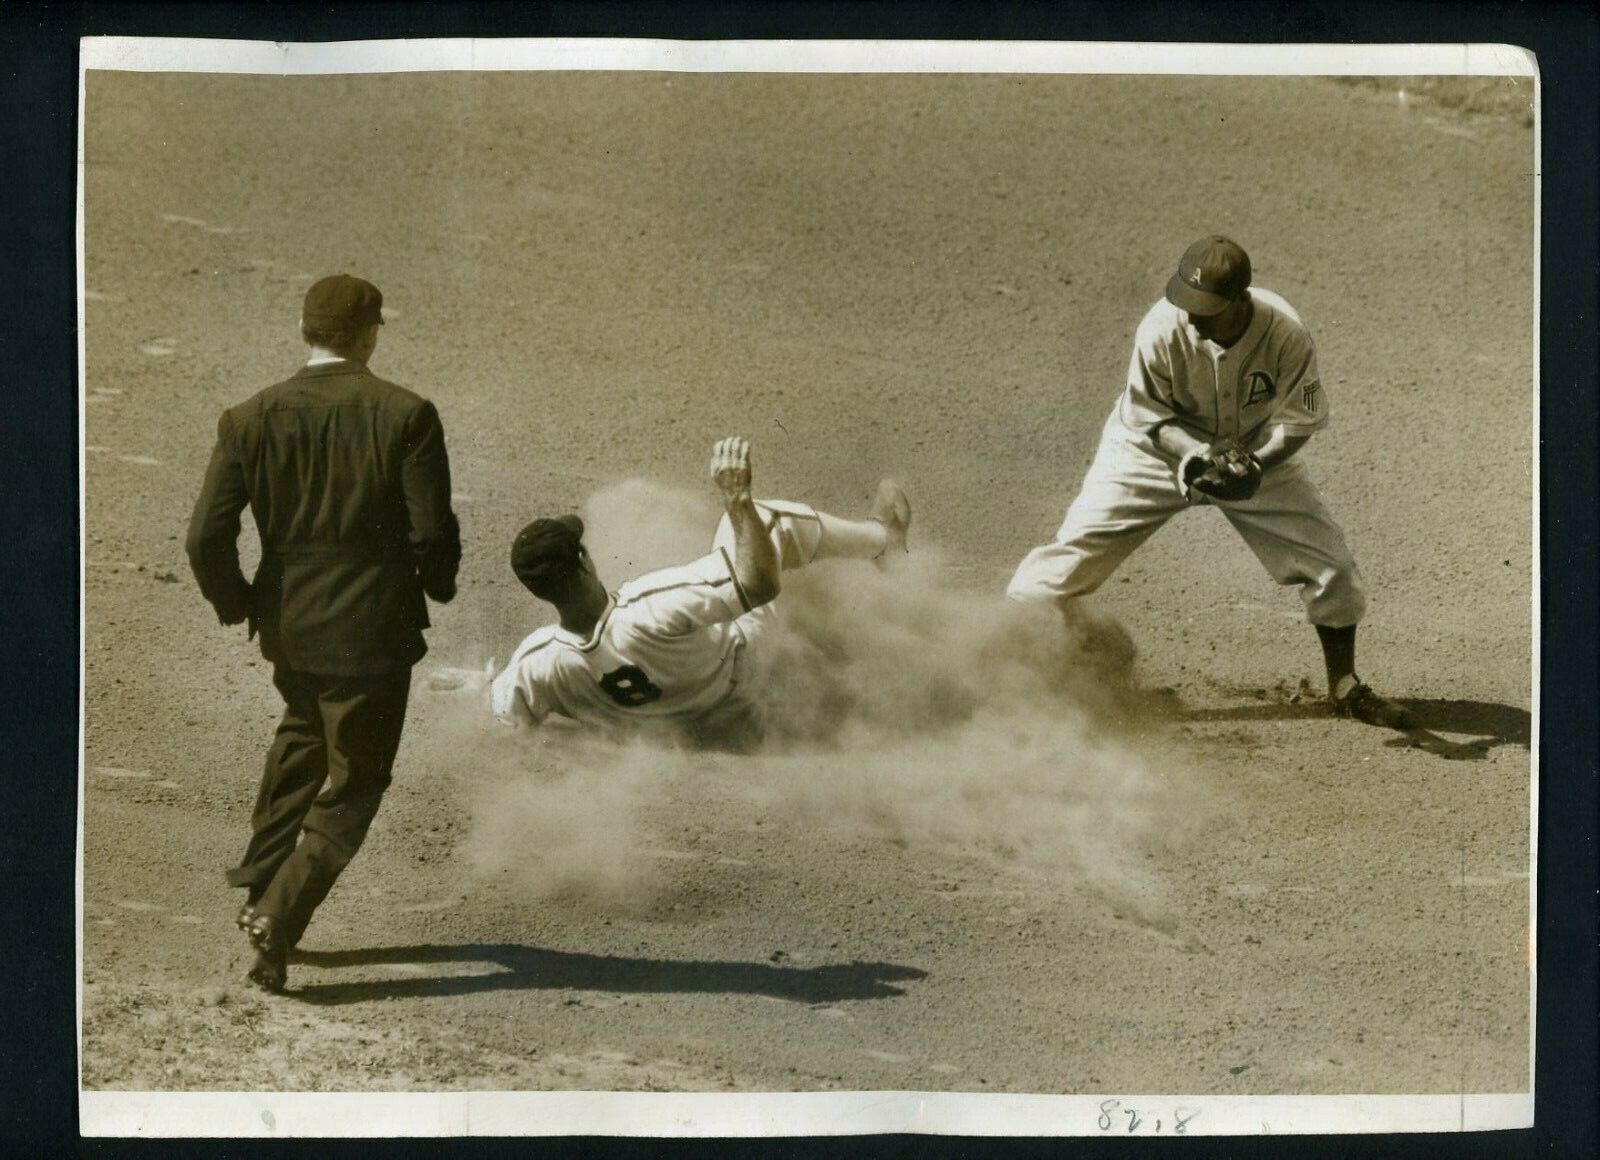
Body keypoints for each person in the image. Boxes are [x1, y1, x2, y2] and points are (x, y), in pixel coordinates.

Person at [1007, 235, 1412, 728]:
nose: (1193, 315)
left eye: (1207, 307)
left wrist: (1257, 463)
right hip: (1152, 451)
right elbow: (1148, 417)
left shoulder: (1285, 333)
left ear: (1241, 298)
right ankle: (1021, 680)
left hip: (1254, 449)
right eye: (1187, 301)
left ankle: (1345, 687)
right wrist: (1196, 455)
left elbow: (1298, 422)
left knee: (1334, 569)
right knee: (1057, 567)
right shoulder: (1160, 328)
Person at [186, 274, 461, 992]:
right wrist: (438, 583)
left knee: (303, 740)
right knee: (357, 776)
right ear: (367, 334)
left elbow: (205, 537)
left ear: (306, 332)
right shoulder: (407, 414)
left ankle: (258, 890)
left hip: (290, 624)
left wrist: (239, 600)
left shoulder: (249, 416)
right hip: (372, 631)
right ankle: (279, 915)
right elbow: (432, 533)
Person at [490, 437, 909, 747]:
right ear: (584, 561)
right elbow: (759, 585)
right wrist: (737, 500)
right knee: (761, 522)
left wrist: (485, 685)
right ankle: (881, 540)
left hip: (697, 729)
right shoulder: (649, 607)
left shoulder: (535, 664)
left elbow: (510, 715)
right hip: (751, 682)